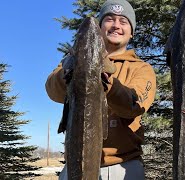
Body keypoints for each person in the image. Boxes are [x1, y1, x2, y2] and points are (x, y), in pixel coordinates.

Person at [45, 0, 156, 179]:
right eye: (110, 19)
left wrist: (109, 84)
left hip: (122, 165)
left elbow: (135, 106)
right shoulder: (71, 61)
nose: (116, 26)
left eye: (123, 21)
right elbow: (52, 91)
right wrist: (68, 73)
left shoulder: (141, 68)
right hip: (74, 164)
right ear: (100, 26)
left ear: (132, 32)